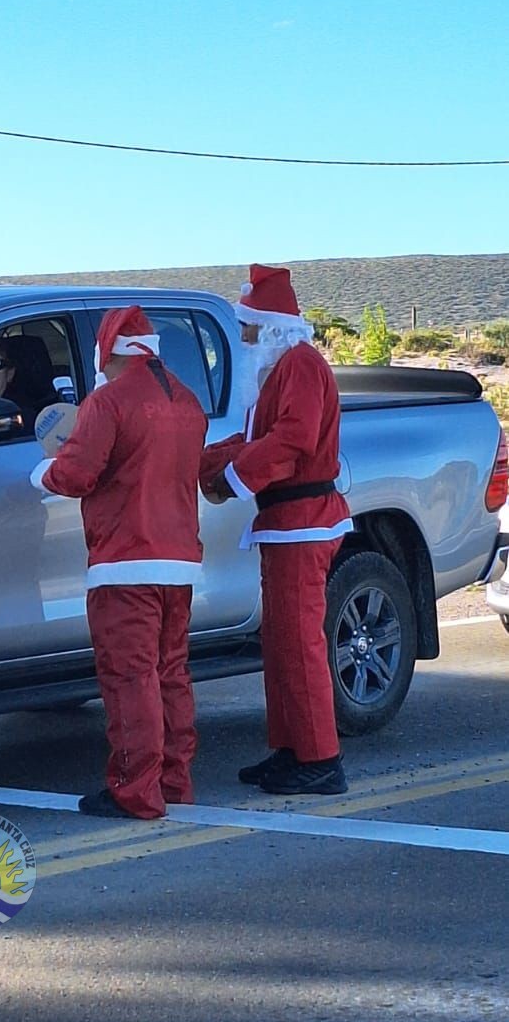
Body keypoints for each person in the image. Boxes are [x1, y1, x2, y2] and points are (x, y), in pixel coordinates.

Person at [32, 306, 207, 821]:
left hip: (124, 562)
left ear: (106, 351)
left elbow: (79, 474)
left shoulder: (108, 401)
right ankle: (175, 780)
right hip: (179, 561)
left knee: (130, 676)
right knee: (170, 671)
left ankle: (135, 788)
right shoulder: (188, 401)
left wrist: (45, 473)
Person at [199, 264, 353, 795]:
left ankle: (321, 758)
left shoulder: (302, 366)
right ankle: (292, 749)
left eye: (247, 329)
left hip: (303, 523)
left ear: (270, 327)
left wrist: (232, 479)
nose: (242, 339)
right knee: (283, 643)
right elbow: (249, 440)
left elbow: (292, 439)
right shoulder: (274, 373)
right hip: (283, 523)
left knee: (300, 643)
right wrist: (198, 464)